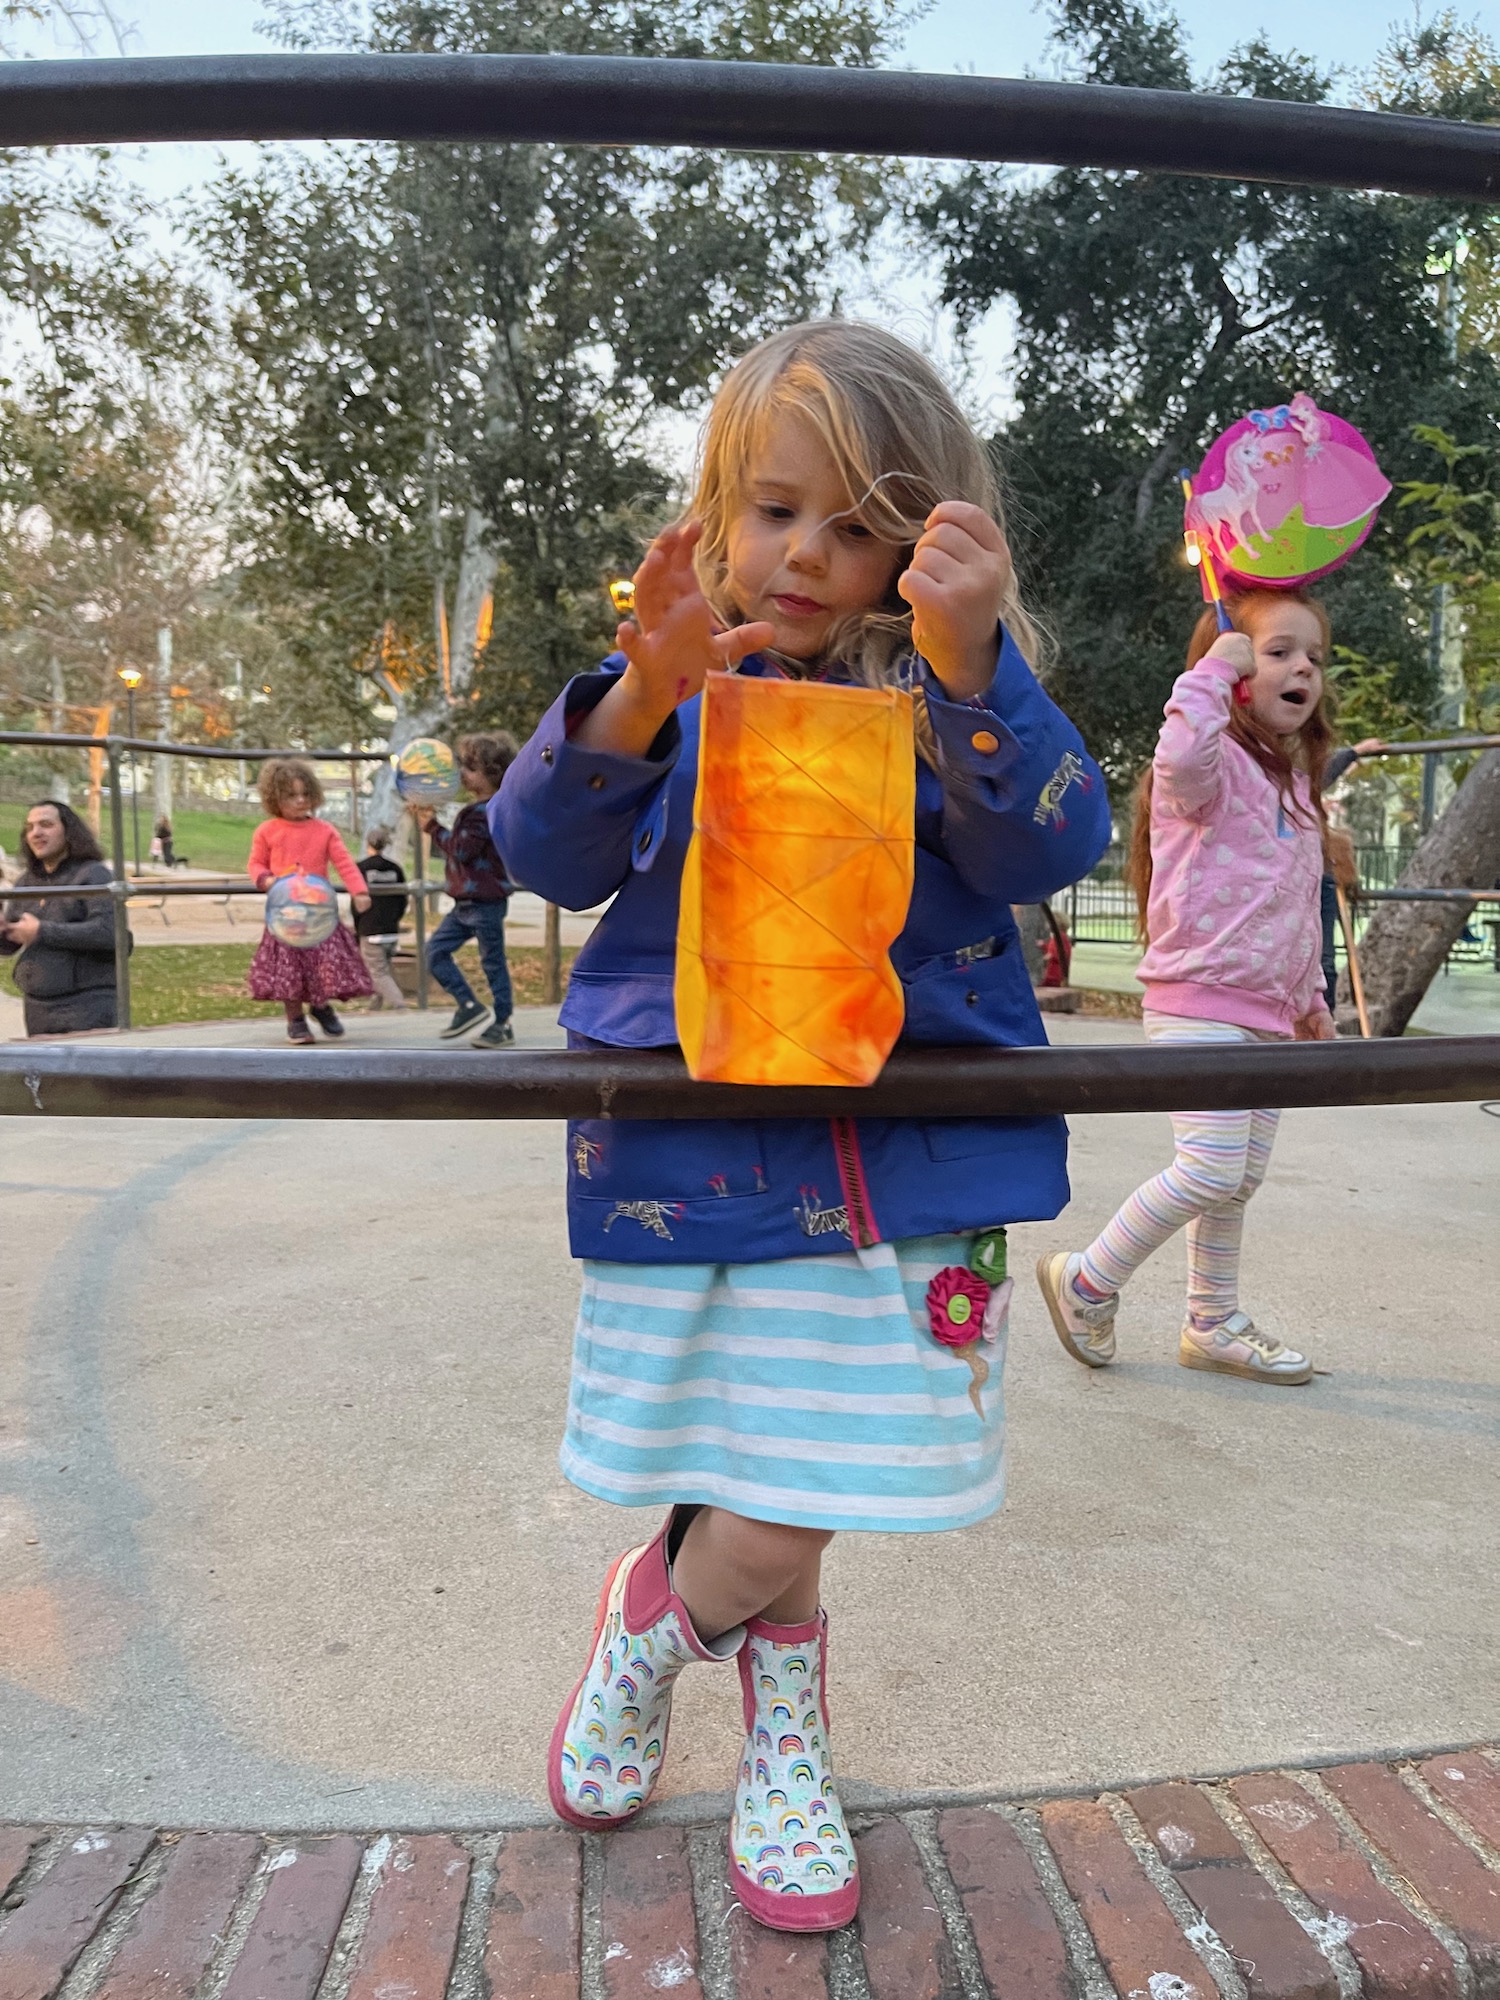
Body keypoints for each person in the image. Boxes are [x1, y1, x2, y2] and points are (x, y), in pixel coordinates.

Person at [493, 320, 1111, 1932]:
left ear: (924, 549)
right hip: (706, 1162)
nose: (811, 556)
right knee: (772, 1468)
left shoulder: (940, 699)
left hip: (907, 1169)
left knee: (827, 1460)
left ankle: (650, 1632)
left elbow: (1054, 846)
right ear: (715, 508)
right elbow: (542, 850)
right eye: (777, 511)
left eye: (861, 529)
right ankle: (785, 1734)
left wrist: (977, 671)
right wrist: (642, 685)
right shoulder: (682, 696)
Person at [1037, 587, 1337, 1389]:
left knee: (1238, 1178)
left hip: (1270, 1015)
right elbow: (1179, 754)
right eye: (1279, 652)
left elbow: (1296, 906)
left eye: (1314, 655)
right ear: (1235, 667)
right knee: (1207, 1168)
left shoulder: (1300, 790)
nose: (1303, 666)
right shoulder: (1206, 771)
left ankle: (1212, 1321)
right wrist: (1210, 672)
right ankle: (1087, 1281)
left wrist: (1309, 1000)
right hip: (1198, 997)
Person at [247, 758, 372, 1044]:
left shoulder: (324, 830)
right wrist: (266, 880)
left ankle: (319, 1005)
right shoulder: (267, 831)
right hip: (286, 917)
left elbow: (344, 863)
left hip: (319, 915)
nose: (300, 800)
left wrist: (359, 891)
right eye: (291, 795)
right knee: (289, 969)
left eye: (305, 794)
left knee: (322, 966)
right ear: (274, 797)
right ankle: (295, 1018)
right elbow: (255, 864)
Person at [412, 732, 518, 1049]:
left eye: (470, 768)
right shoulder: (477, 810)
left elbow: (461, 851)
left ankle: (503, 1023)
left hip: (485, 903)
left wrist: (431, 827)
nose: (461, 774)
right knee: (435, 952)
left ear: (492, 775)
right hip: (465, 904)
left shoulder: (485, 812)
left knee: (492, 962)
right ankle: (469, 1005)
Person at [0, 800, 126, 1036]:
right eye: (30, 827)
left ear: (68, 831)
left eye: (46, 825)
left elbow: (111, 934)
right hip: (37, 1007)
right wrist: (4, 931)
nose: (36, 833)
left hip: (86, 1006)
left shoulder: (93, 874)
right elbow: (10, 944)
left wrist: (42, 931)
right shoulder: (27, 881)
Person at [1319, 738, 1382, 1010]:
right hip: (1290, 872)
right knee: (1320, 958)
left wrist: (1352, 754)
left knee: (1323, 959)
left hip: (1316, 870)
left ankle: (1323, 1025)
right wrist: (1352, 753)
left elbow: (1311, 777)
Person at [355, 826, 410, 1010]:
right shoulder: (395, 869)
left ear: (368, 844)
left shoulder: (361, 868)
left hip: (370, 929)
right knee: (382, 968)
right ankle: (374, 1006)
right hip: (391, 929)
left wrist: (358, 926)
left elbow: (356, 903)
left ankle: (399, 1005)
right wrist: (395, 919)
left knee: (378, 973)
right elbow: (403, 899)